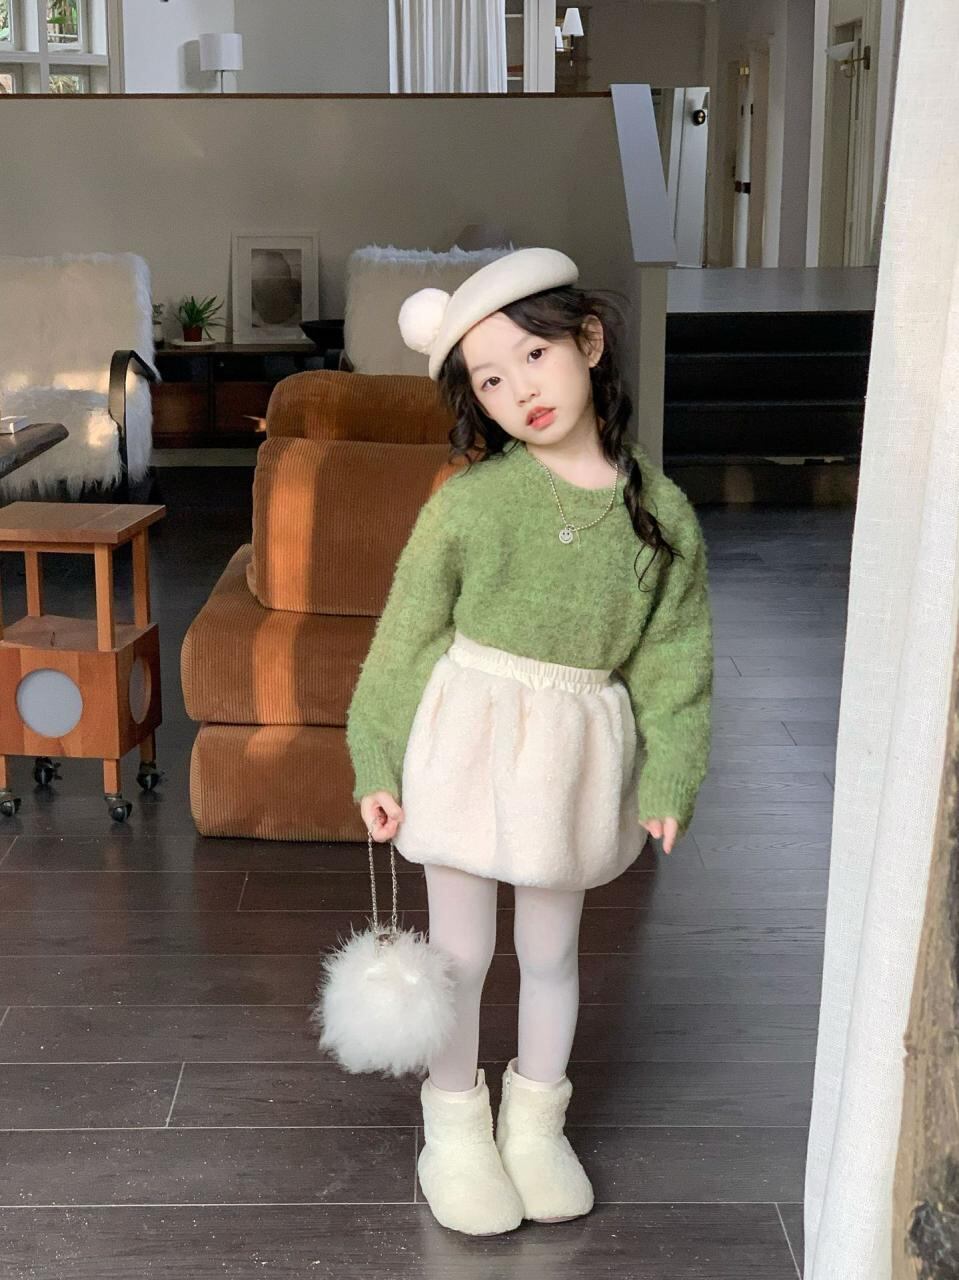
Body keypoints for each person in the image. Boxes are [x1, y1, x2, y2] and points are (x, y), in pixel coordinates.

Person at [345, 247, 713, 1236]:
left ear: (587, 342)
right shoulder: (469, 503)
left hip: (571, 757)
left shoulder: (660, 515)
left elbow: (674, 661)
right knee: (459, 953)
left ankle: (535, 1127)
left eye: (533, 356)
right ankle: (454, 1131)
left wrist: (669, 775)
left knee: (550, 950)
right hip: (464, 739)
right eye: (490, 381)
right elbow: (406, 635)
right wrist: (374, 754)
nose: (520, 392)